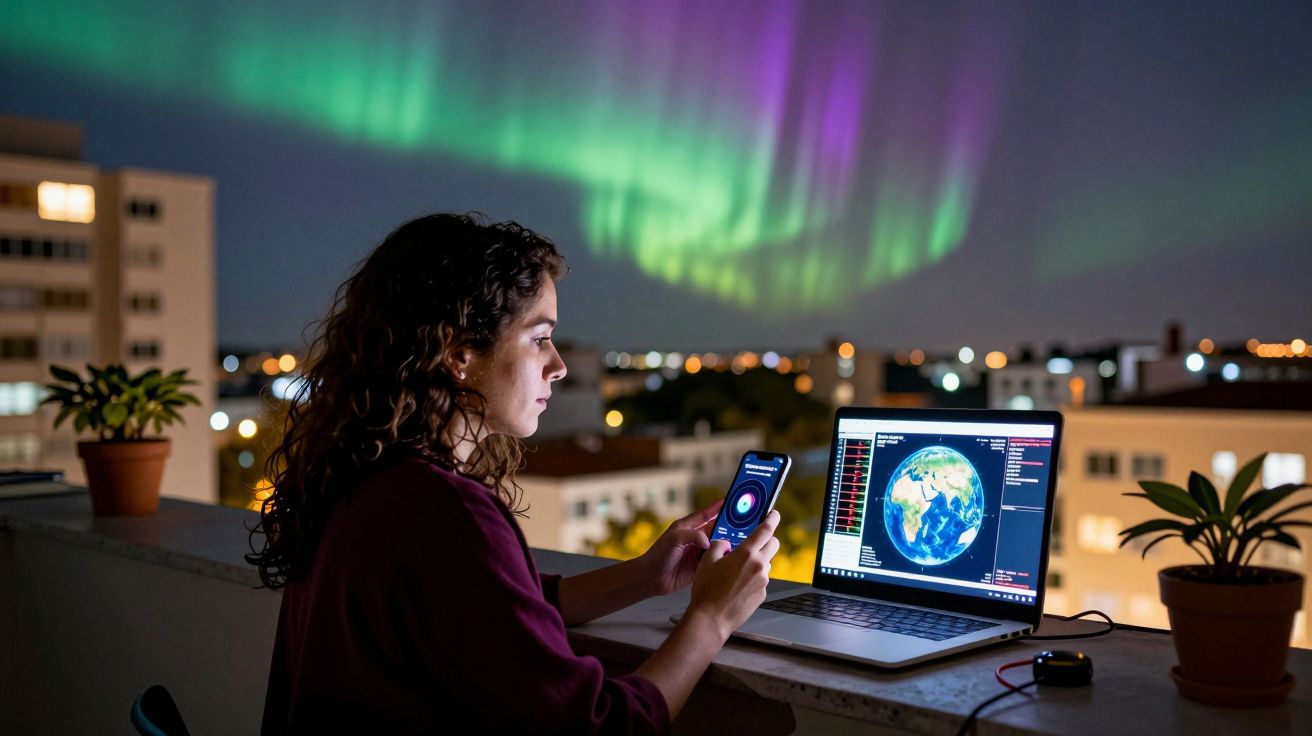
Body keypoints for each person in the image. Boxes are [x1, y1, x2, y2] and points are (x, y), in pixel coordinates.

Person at [248, 213, 781, 734]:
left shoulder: (366, 479)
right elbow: (598, 725)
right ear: (458, 352)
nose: (559, 364)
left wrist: (644, 576)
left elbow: (492, 611)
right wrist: (712, 617)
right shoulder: (443, 510)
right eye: (538, 337)